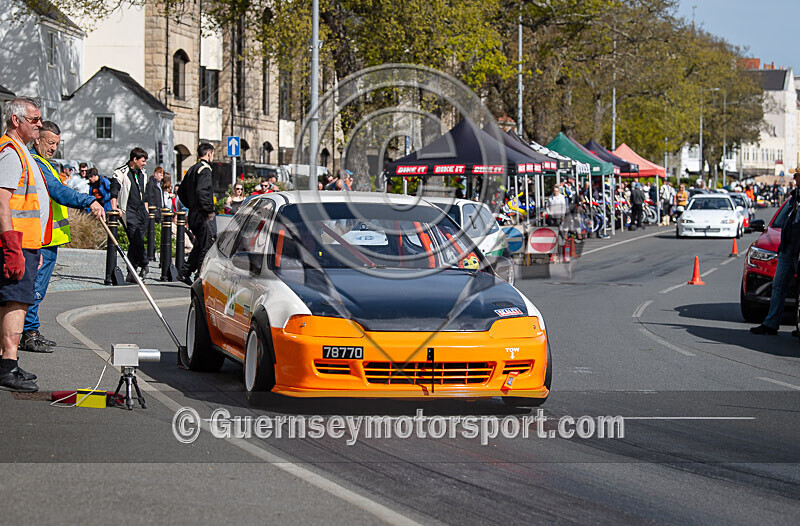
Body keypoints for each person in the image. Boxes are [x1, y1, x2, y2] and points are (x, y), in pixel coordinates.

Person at [21, 121, 105, 353]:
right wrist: (89, 201)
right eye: (50, 142)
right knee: (35, 287)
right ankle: (29, 333)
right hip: (41, 237)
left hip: (50, 237)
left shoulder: (46, 163)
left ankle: (32, 330)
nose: (53, 148)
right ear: (37, 139)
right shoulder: (37, 163)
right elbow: (58, 193)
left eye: (57, 144)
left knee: (39, 287)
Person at [0, 97, 50, 391]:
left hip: (24, 243)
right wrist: (11, 245)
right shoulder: (11, 153)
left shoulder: (19, 151)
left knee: (14, 301)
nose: (39, 125)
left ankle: (7, 362)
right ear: (16, 120)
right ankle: (8, 365)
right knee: (16, 302)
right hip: (15, 242)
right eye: (34, 120)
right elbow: (2, 202)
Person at [751, 168, 800, 335]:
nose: (794, 178)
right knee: (778, 286)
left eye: (797, 176)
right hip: (787, 249)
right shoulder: (795, 197)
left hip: (797, 250)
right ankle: (771, 324)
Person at [177, 143, 216, 285]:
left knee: (200, 244)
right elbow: (202, 192)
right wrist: (208, 210)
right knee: (207, 246)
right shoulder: (205, 170)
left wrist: (191, 206)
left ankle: (185, 272)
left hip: (194, 213)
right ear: (209, 153)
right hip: (202, 215)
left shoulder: (193, 169)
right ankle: (200, 277)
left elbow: (181, 192)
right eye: (213, 154)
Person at [110, 147, 150, 282]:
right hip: (129, 211)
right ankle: (144, 263)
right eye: (143, 161)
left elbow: (144, 194)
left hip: (141, 212)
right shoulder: (121, 172)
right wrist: (115, 208)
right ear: (135, 159)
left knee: (135, 242)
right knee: (136, 239)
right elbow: (114, 189)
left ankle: (131, 272)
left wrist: (146, 210)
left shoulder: (142, 174)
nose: (145, 164)